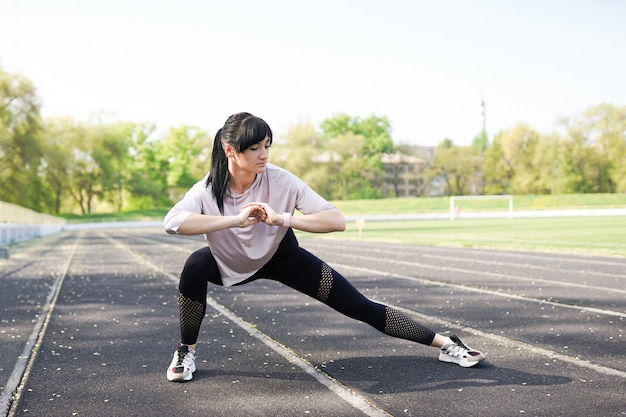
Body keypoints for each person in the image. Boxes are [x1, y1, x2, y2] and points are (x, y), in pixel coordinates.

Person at [163, 112, 486, 382]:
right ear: (230, 150)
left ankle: (447, 344)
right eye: (255, 148)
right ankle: (186, 351)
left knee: (359, 306)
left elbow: (335, 220)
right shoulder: (208, 188)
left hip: (282, 255)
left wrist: (283, 219)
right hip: (229, 259)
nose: (264, 155)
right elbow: (173, 222)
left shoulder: (281, 180)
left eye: (267, 146)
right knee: (194, 267)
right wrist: (234, 220)